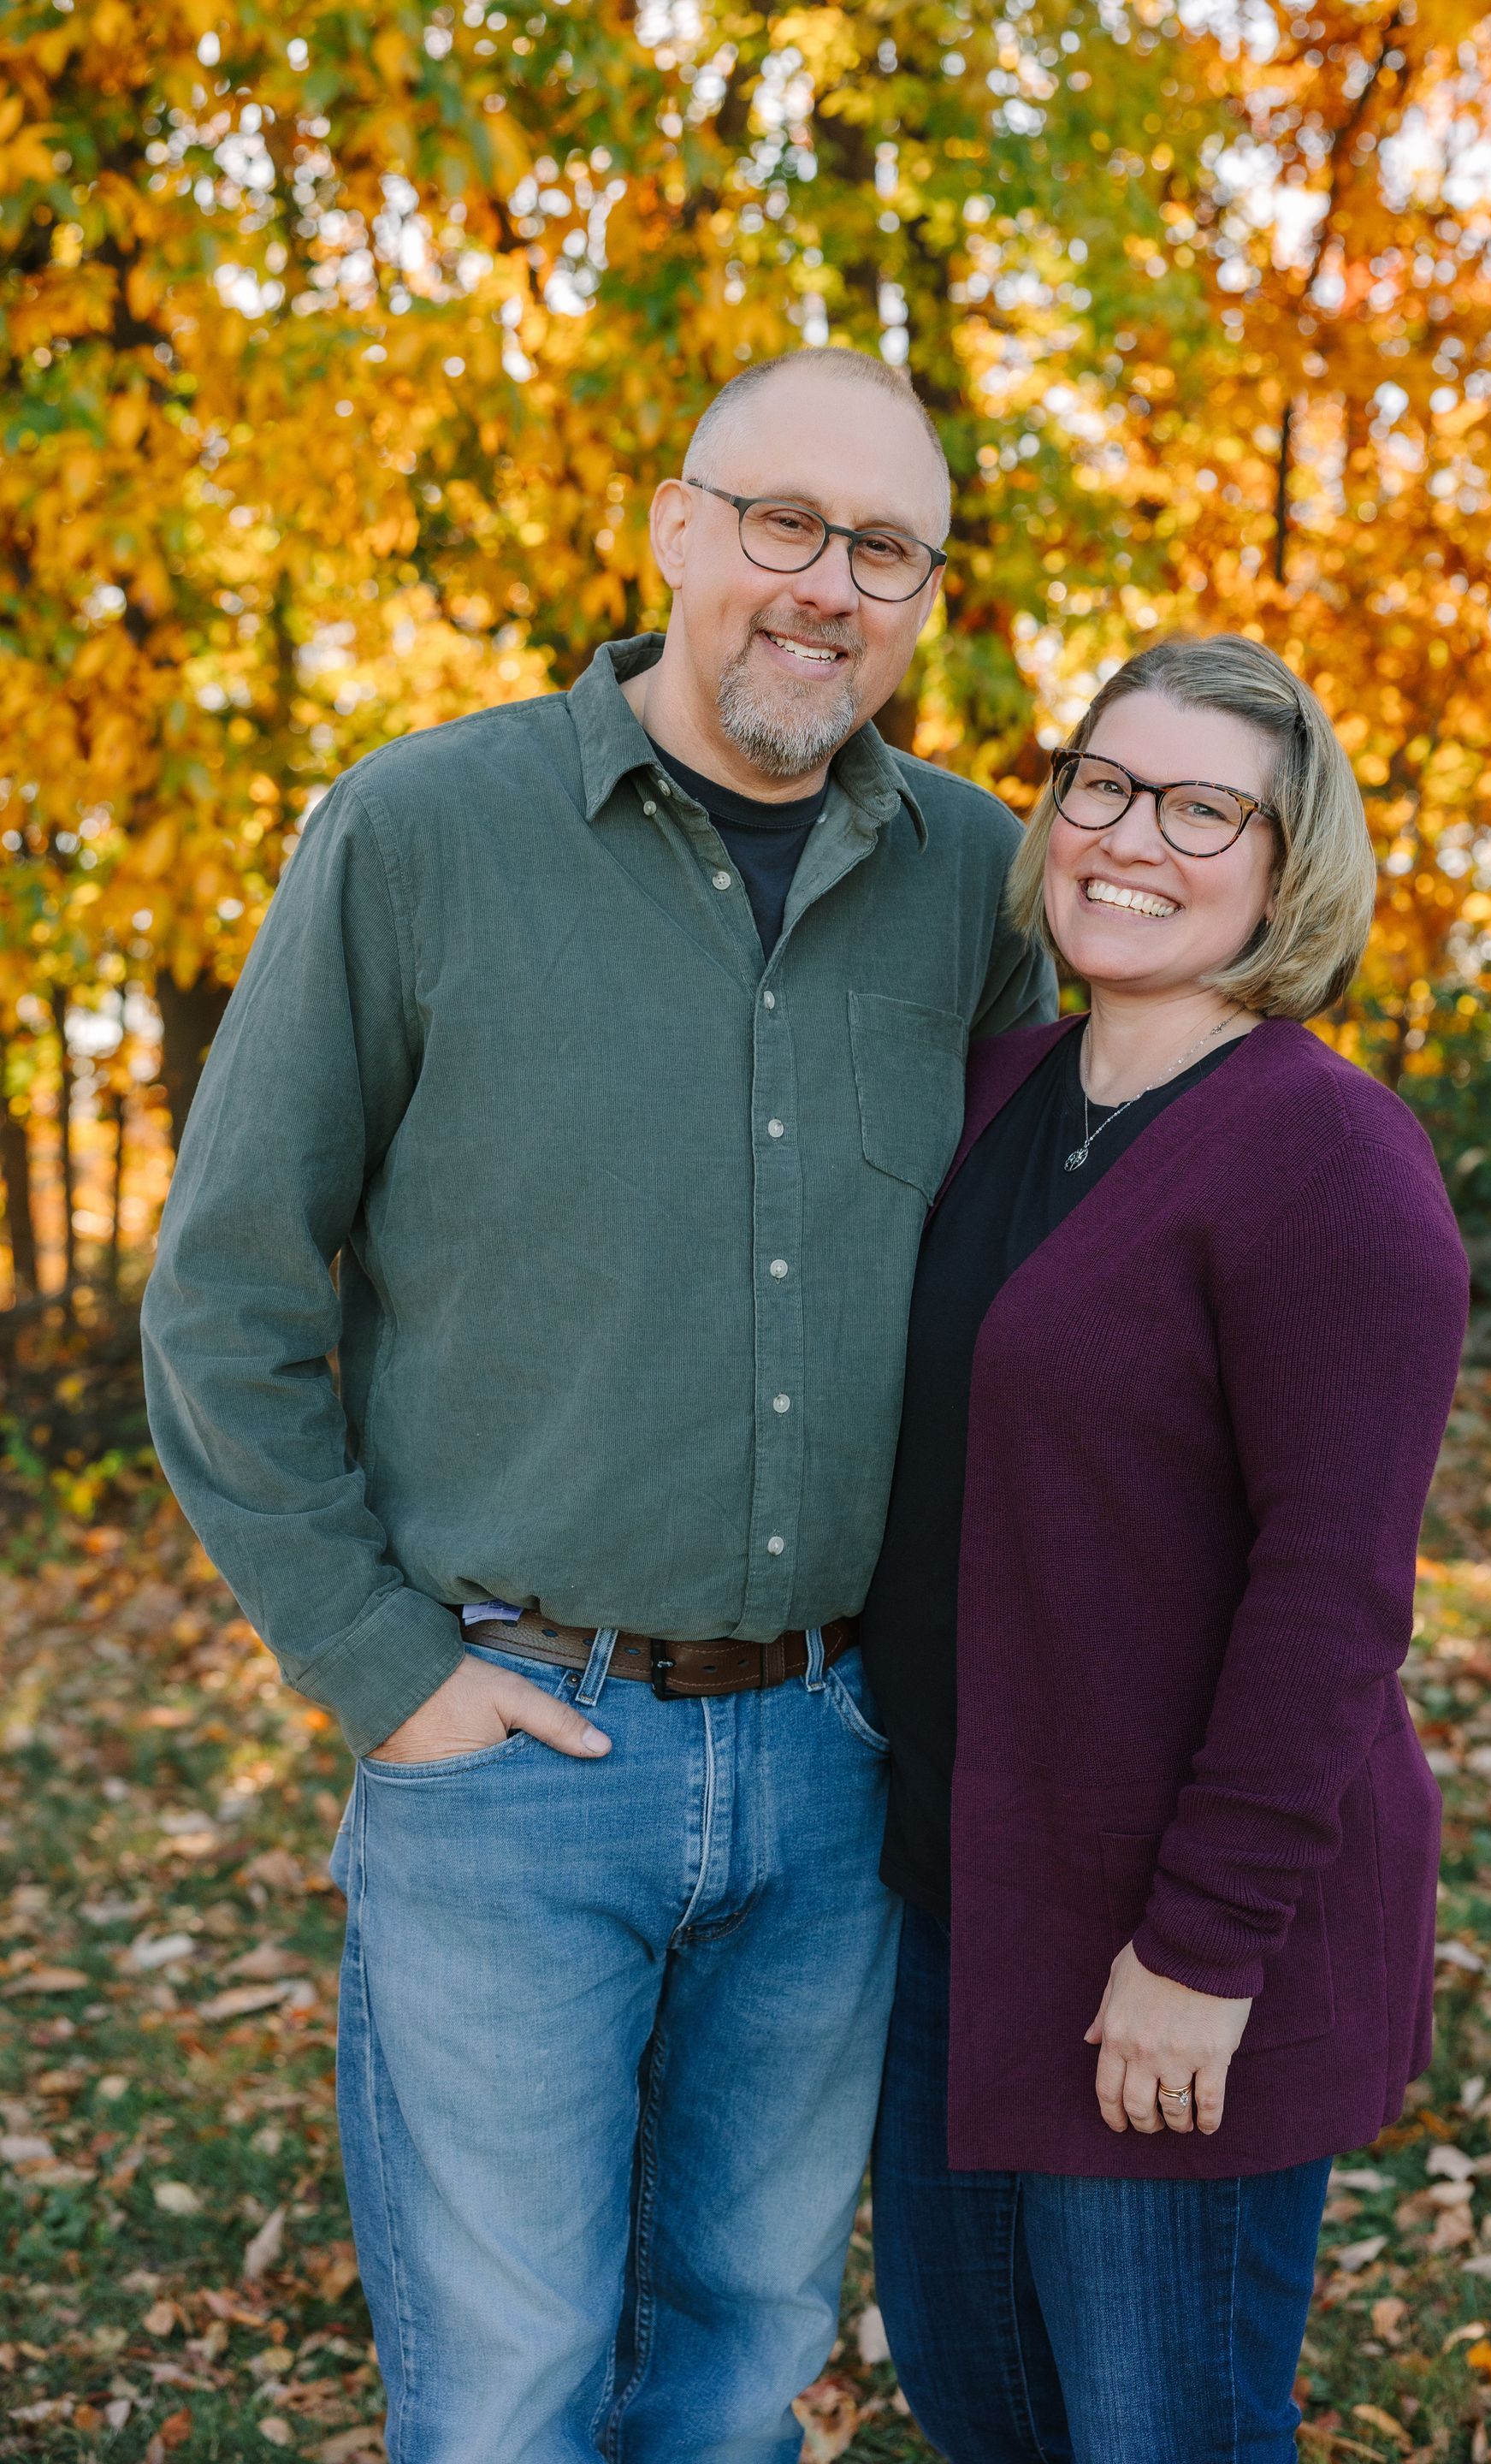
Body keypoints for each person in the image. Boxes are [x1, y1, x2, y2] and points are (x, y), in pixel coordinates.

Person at [140, 346, 1055, 2464]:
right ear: (671, 524)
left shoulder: (980, 888)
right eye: (782, 522)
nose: (825, 585)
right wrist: (386, 1676)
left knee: (740, 2357)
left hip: (838, 1767)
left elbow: (1046, 1293)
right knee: (510, 2388)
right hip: (511, 1750)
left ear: (927, 600)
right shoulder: (417, 832)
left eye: (885, 549)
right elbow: (227, 1301)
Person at [861, 633, 1470, 2462]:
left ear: (1291, 868)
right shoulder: (996, 1094)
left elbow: (1333, 1604)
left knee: (1163, 2432)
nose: (1132, 836)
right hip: (958, 1907)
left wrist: (1200, 1953)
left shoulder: (1331, 1162)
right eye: (1102, 784)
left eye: (1206, 808)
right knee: (991, 2413)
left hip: (1171, 1935)